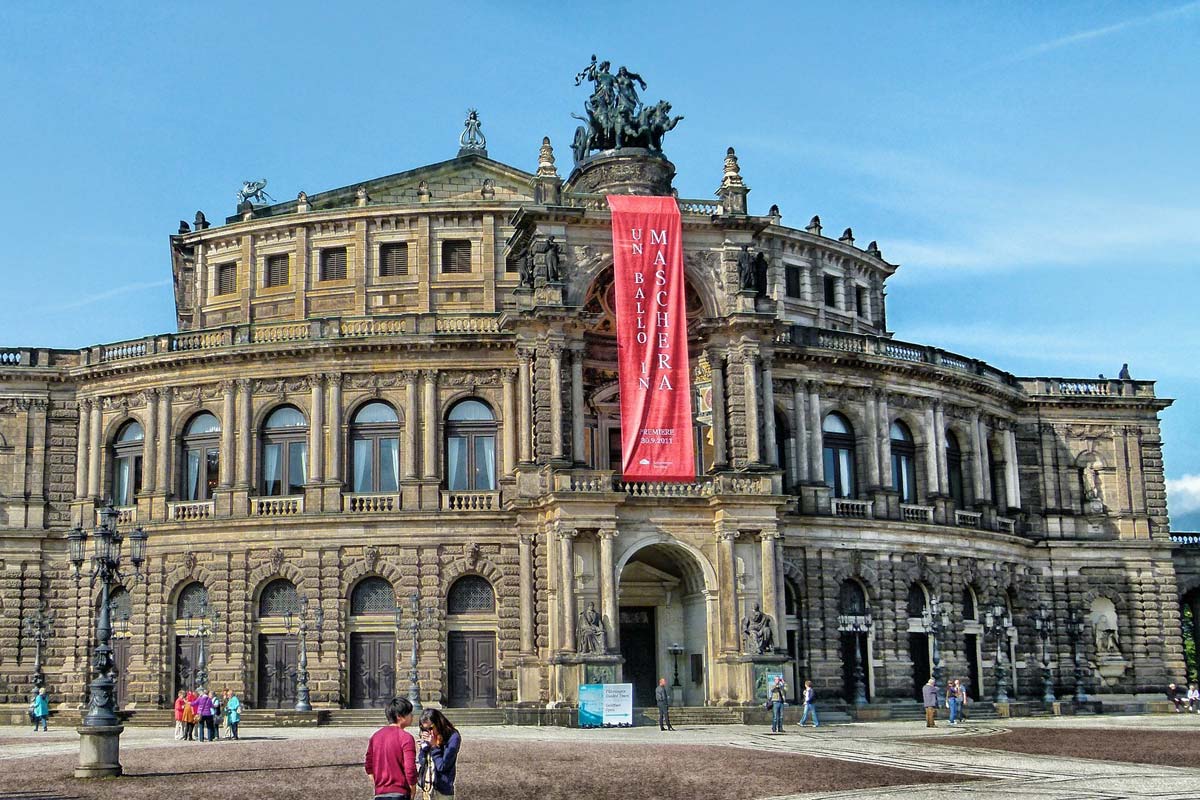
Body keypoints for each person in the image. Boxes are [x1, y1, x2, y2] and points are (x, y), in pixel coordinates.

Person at [365, 697, 418, 800]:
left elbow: (369, 765)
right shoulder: (406, 738)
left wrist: (379, 784)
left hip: (380, 793)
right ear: (399, 716)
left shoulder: (376, 736)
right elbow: (410, 768)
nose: (412, 716)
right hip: (400, 792)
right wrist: (413, 787)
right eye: (409, 713)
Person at [417, 708, 461, 800]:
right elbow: (422, 762)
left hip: (443, 790)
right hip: (427, 786)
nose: (428, 732)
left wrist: (434, 747)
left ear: (438, 723)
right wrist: (424, 747)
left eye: (430, 728)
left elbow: (442, 766)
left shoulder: (453, 737)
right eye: (423, 729)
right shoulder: (429, 736)